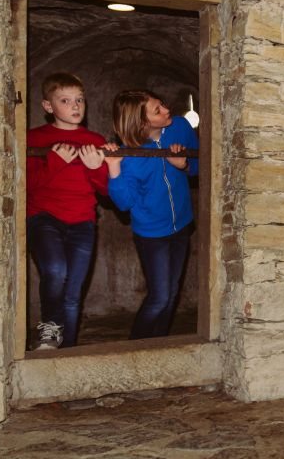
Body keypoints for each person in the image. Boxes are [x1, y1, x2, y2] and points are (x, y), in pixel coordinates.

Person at [103, 89, 199, 340]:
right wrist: (114, 168)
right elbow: (124, 203)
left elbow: (200, 164)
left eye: (163, 104)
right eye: (158, 110)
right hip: (151, 234)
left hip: (182, 226)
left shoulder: (179, 127)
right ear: (141, 123)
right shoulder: (130, 155)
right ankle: (135, 349)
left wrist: (184, 164)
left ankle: (159, 344)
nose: (167, 110)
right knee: (159, 297)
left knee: (172, 293)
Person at [26, 72, 109, 350]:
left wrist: (97, 168)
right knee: (55, 269)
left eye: (80, 100)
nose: (75, 107)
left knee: (72, 295)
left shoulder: (94, 139)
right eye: (65, 100)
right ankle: (50, 327)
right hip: (44, 217)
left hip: (83, 222)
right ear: (48, 106)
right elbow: (25, 185)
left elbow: (106, 190)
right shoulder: (35, 138)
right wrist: (53, 161)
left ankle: (68, 352)